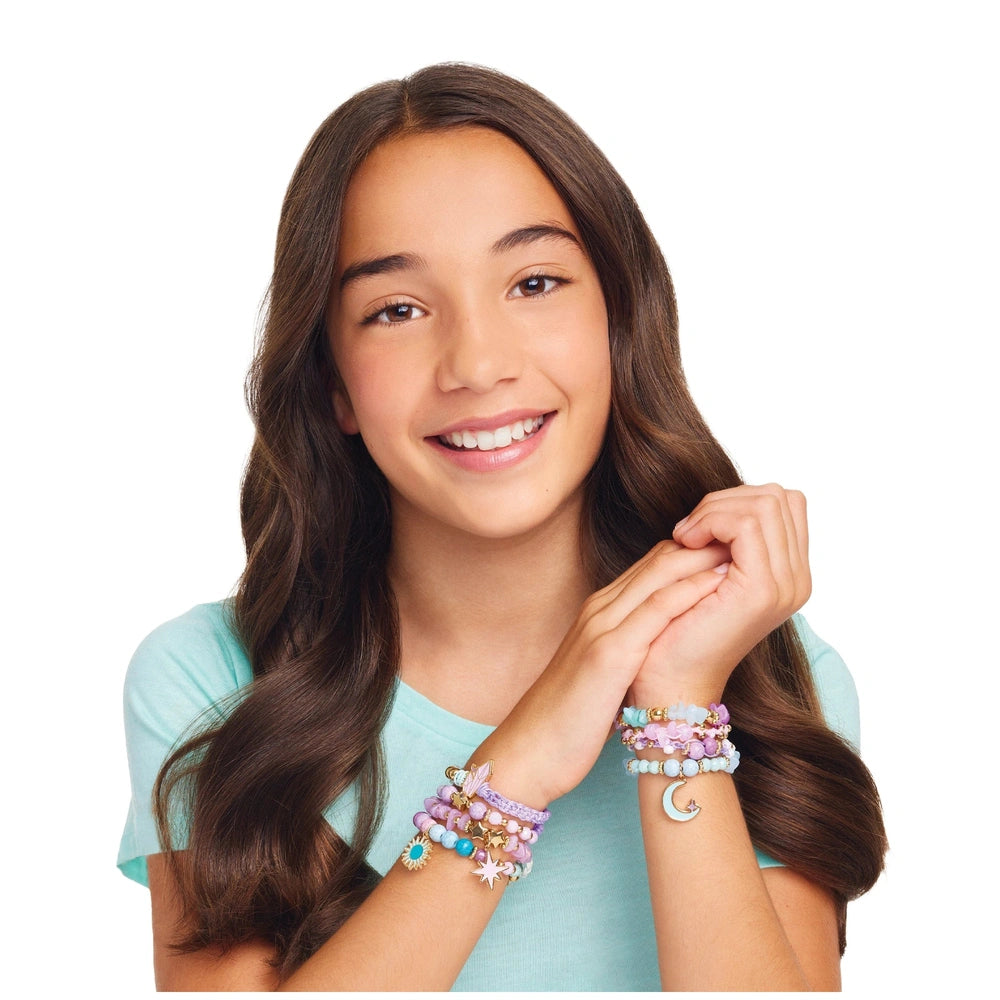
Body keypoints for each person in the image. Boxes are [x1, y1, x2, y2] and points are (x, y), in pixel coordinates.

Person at [118, 62, 886, 991]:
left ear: (618, 320)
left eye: (534, 282)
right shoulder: (216, 681)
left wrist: (680, 710)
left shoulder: (763, 673)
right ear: (333, 384)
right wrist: (515, 768)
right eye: (396, 309)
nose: (476, 363)